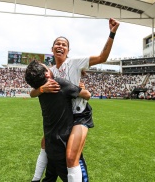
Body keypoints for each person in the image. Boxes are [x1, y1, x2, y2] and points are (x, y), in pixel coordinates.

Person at [30, 18, 120, 182]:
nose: (60, 46)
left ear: (68, 50)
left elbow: (102, 57)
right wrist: (42, 89)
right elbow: (32, 93)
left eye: (64, 44)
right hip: (63, 119)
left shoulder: (75, 63)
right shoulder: (49, 72)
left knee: (71, 157)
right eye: (57, 43)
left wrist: (112, 32)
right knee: (46, 144)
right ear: (52, 49)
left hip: (80, 115)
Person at [25, 60, 91, 181]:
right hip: (63, 147)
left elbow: (32, 93)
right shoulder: (59, 83)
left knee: (49, 178)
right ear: (46, 74)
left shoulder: (41, 90)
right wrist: (81, 88)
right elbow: (87, 95)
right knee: (80, 178)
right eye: (47, 67)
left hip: (50, 146)